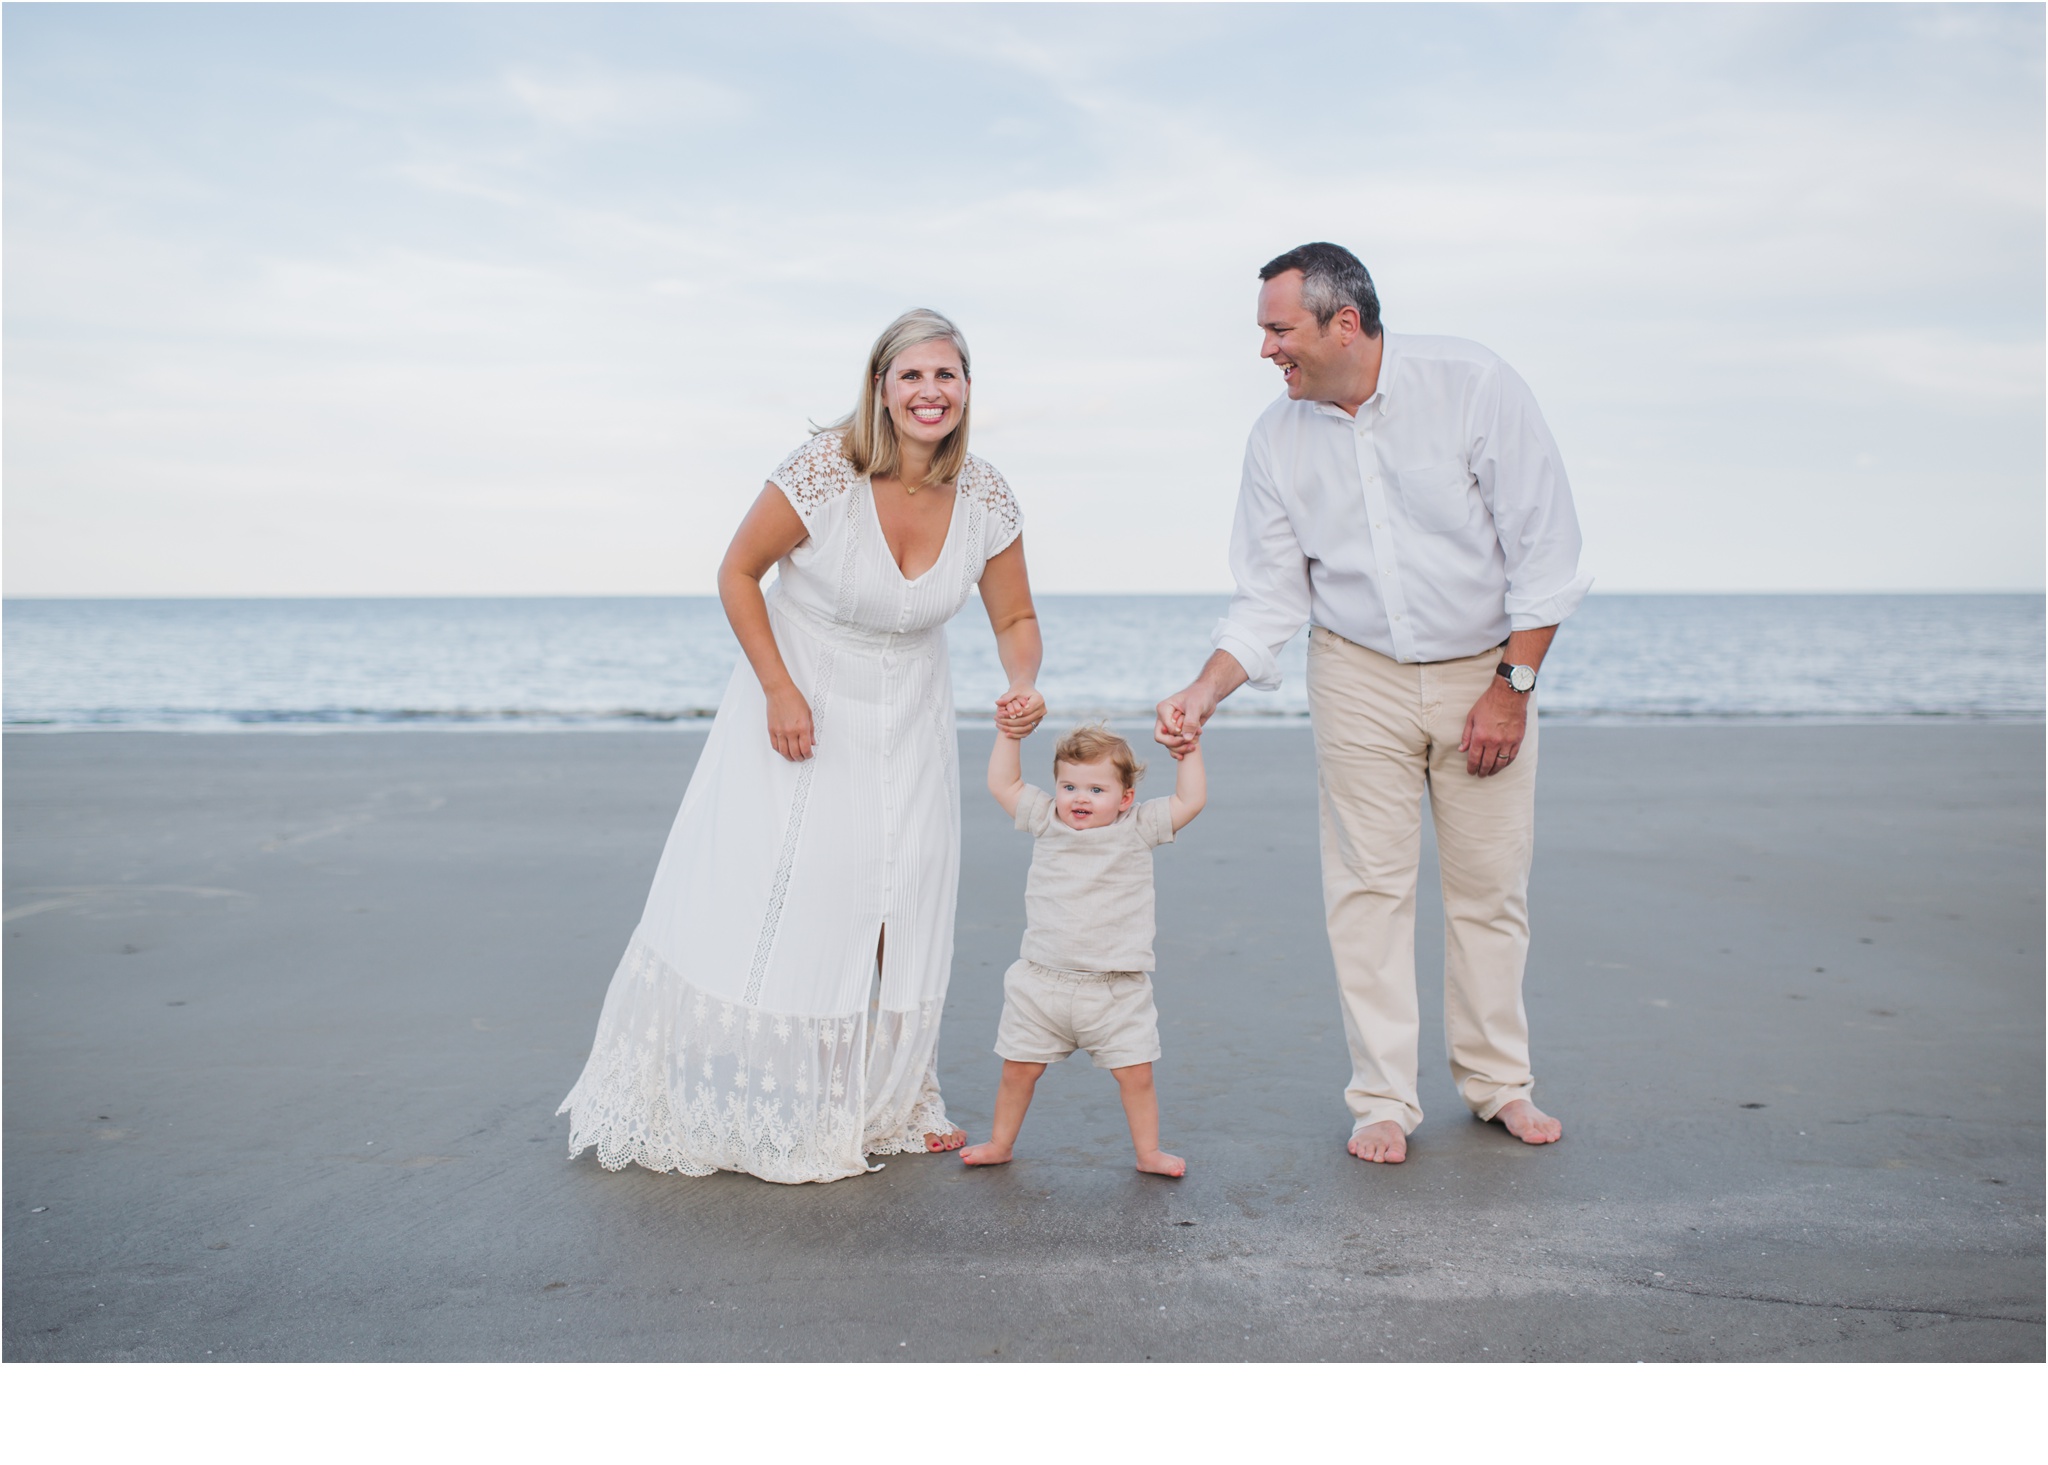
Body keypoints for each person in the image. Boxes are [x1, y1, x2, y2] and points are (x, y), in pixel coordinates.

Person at [558, 308, 1046, 1185]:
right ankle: (767, 1096)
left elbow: (1014, 615)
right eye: (912, 376)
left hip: (914, 713)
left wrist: (1021, 682)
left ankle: (893, 1096)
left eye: (947, 376)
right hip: (804, 694)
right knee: (799, 887)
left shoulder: (985, 494)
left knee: (906, 889)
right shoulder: (826, 468)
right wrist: (780, 688)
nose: (929, 392)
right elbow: (736, 572)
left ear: (968, 390)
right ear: (880, 387)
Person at [1155, 242, 1590, 1165]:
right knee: (1368, 892)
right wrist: (1206, 688)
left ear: (1341, 323)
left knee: (1487, 889)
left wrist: (1511, 691)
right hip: (1354, 673)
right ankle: (1383, 1100)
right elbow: (1270, 596)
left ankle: (1498, 1083)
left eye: (1279, 331)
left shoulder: (1473, 385)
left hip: (1486, 668)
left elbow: (1548, 557)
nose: (1267, 351)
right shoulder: (1276, 439)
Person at [962, 723, 1205, 1177]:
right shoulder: (1045, 820)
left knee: (1136, 1075)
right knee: (1018, 1070)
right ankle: (1000, 1142)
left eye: (1097, 789)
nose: (1080, 798)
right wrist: (1008, 735)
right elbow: (1003, 783)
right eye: (1069, 786)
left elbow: (1189, 801)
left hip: (1116, 991)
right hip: (1041, 984)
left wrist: (1188, 752)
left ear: (1126, 798)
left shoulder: (1138, 828)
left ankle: (1148, 1152)